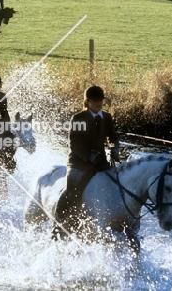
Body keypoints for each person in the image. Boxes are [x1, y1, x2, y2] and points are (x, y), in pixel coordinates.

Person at [52, 85, 120, 240]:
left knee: (117, 185)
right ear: (87, 102)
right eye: (95, 101)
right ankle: (58, 226)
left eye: (101, 101)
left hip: (101, 162)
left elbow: (112, 137)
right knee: (71, 192)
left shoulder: (107, 117)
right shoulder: (77, 118)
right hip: (79, 162)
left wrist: (114, 148)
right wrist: (88, 156)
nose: (99, 104)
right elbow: (74, 143)